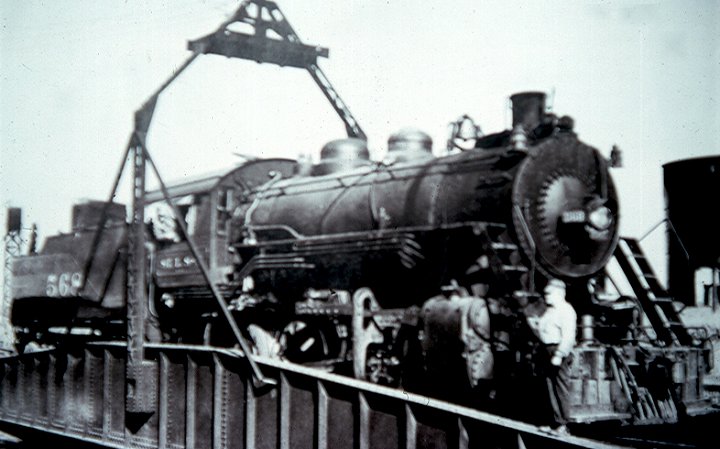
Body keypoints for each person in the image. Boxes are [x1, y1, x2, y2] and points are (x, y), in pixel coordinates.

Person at [525, 278, 577, 434]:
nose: (546, 296)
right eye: (546, 293)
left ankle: (563, 425)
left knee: (560, 387)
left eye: (549, 294)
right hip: (546, 349)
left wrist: (559, 354)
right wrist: (533, 324)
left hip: (557, 350)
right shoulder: (550, 310)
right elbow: (543, 331)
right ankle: (554, 422)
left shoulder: (566, 310)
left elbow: (568, 337)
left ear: (560, 293)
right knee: (549, 387)